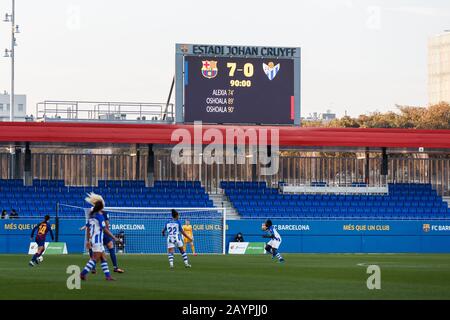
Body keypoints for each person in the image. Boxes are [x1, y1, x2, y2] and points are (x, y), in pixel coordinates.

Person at [80, 193, 119, 281]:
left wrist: (88, 241)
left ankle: (108, 276)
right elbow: (105, 229)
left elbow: (88, 229)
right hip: (97, 241)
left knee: (103, 257)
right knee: (95, 258)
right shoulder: (100, 216)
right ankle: (82, 274)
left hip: (95, 240)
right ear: (100, 207)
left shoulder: (91, 216)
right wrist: (113, 237)